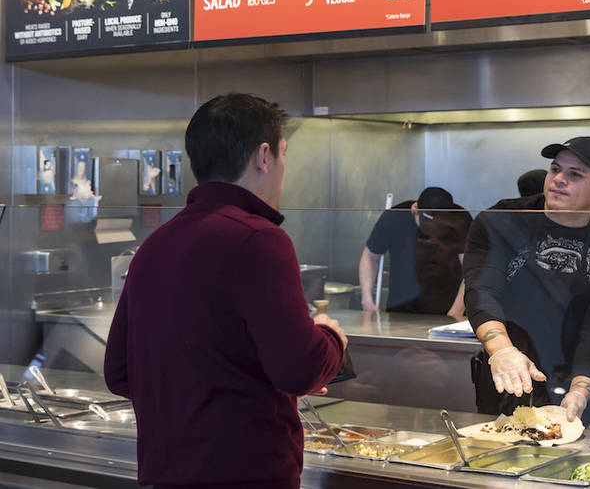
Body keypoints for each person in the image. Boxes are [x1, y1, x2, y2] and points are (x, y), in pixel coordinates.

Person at [103, 93, 347, 489]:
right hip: (247, 476)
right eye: (284, 155)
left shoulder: (155, 244)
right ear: (264, 156)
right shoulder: (259, 240)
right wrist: (331, 338)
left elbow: (118, 372)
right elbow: (298, 368)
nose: (284, 169)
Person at [464, 136, 590, 426]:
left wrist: (581, 390)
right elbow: (483, 289)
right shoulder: (503, 220)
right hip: (510, 372)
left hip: (582, 379)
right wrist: (502, 351)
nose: (559, 179)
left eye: (575, 174)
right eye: (555, 169)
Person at [358, 186, 457, 312]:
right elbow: (370, 257)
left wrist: (456, 311)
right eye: (426, 223)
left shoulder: (459, 219)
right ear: (415, 208)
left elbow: (470, 269)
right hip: (400, 308)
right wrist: (367, 300)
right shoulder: (394, 217)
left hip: (446, 309)